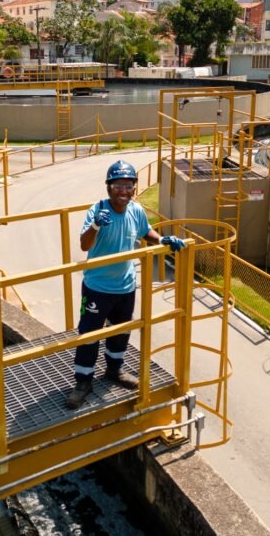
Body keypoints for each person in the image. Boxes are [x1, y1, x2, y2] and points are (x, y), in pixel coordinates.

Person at [66, 160, 186, 410]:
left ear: (133, 188)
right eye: (118, 185)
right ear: (109, 187)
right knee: (89, 336)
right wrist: (96, 224)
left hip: (126, 287)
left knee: (121, 331)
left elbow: (145, 231)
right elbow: (84, 245)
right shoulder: (97, 210)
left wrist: (163, 239)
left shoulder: (136, 209)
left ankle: (114, 370)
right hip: (98, 287)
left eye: (128, 185)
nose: (124, 191)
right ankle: (83, 382)